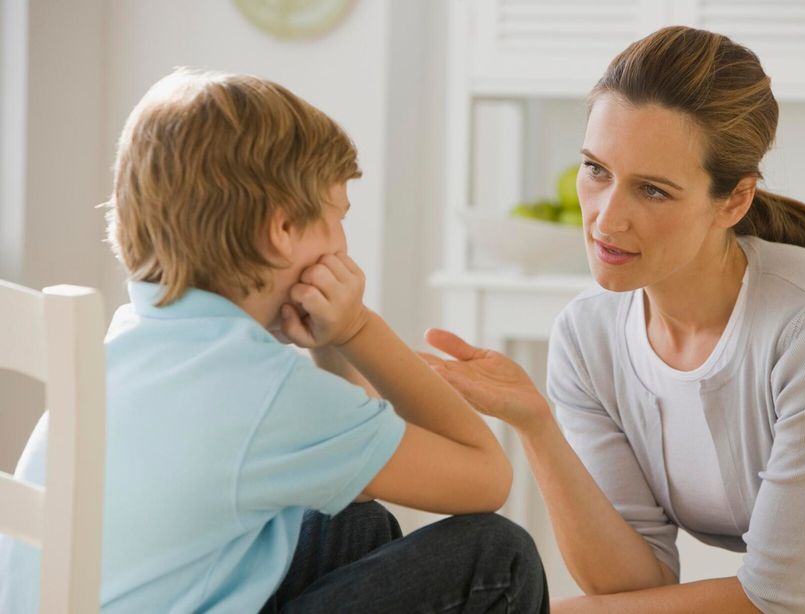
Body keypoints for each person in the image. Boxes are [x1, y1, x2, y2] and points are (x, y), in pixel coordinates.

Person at [422, 26, 805, 613]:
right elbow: (634, 584)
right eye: (596, 170)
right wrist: (537, 427)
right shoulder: (587, 337)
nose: (606, 219)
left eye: (652, 190)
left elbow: (773, 602)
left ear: (734, 200)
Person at [0, 68, 548, 613]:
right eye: (337, 218)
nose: (341, 245)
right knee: (501, 556)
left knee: (353, 516)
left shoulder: (136, 339)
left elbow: (355, 474)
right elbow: (486, 478)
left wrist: (324, 344)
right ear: (282, 231)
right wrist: (357, 330)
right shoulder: (263, 390)